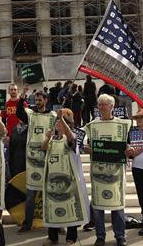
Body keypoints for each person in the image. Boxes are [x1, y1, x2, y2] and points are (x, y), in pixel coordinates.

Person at [84, 93, 131, 246]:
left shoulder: (122, 125)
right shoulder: (92, 125)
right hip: (98, 173)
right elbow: (87, 144)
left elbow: (127, 145)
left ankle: (120, 236)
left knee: (117, 205)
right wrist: (87, 149)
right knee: (98, 207)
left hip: (116, 172)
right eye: (100, 104)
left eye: (104, 104)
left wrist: (129, 151)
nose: (101, 107)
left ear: (112, 107)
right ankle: (100, 236)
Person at [41, 109, 89, 246]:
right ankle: (52, 237)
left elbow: (70, 137)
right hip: (53, 182)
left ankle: (71, 238)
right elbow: (43, 147)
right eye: (56, 122)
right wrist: (47, 137)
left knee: (72, 210)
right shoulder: (53, 139)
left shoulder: (71, 138)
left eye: (60, 123)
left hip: (69, 183)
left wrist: (61, 118)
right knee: (53, 208)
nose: (57, 124)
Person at [16, 87, 57, 233]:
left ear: (46, 100)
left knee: (51, 195)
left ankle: (56, 225)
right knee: (30, 196)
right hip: (32, 161)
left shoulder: (53, 115)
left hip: (47, 160)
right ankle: (27, 224)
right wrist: (22, 96)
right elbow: (19, 111)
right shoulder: (31, 114)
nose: (38, 102)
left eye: (40, 99)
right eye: (36, 100)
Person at [9, 114, 28, 179]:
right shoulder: (14, 129)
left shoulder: (30, 130)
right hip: (14, 161)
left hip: (25, 162)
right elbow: (11, 147)